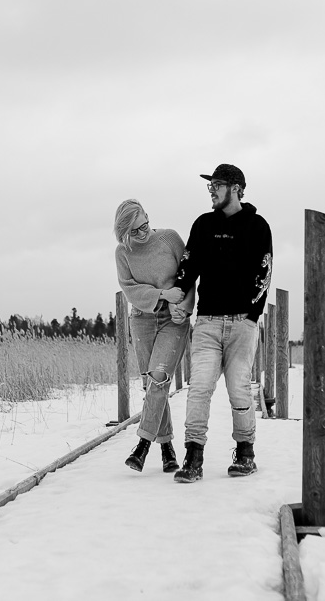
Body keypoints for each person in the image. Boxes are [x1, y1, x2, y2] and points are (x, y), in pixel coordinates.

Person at [168, 164, 272, 483]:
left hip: (242, 324)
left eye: (217, 184)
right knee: (199, 387)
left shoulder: (257, 226)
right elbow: (188, 266)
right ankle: (193, 458)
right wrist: (178, 298)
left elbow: (263, 274)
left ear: (236, 188)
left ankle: (245, 454)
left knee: (239, 389)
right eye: (210, 185)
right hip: (208, 323)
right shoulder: (203, 225)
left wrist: (250, 318)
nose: (211, 190)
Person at [114, 199, 195, 473]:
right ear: (124, 232)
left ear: (149, 217)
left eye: (144, 225)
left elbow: (189, 275)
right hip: (142, 319)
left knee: (159, 376)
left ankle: (142, 445)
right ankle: (167, 447)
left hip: (173, 320)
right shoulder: (122, 253)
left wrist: (183, 307)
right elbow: (129, 289)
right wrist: (162, 294)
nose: (142, 233)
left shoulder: (169, 239)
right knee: (152, 383)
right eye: (135, 231)